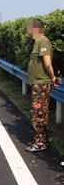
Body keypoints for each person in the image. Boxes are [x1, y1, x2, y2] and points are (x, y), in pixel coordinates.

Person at [25, 18, 59, 152]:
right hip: (38, 84)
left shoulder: (43, 41)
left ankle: (41, 143)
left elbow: (47, 63)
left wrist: (53, 77)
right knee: (38, 112)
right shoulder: (38, 42)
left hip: (41, 84)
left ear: (36, 29)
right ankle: (42, 139)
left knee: (39, 113)